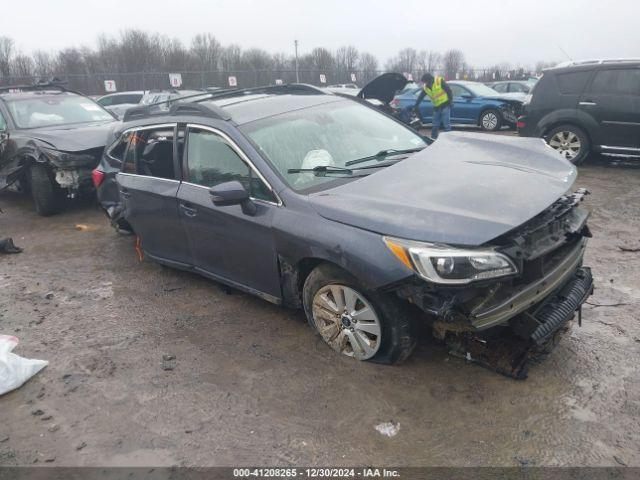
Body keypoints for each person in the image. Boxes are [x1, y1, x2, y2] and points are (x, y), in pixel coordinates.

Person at [413, 73, 454, 139]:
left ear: (429, 80)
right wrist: (416, 105)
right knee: (435, 125)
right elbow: (421, 96)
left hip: (445, 105)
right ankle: (433, 139)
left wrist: (451, 101)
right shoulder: (426, 87)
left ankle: (449, 139)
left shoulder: (439, 81)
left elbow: (449, 91)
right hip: (436, 107)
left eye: (425, 81)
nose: (425, 83)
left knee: (446, 125)